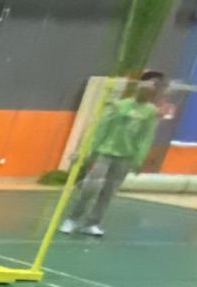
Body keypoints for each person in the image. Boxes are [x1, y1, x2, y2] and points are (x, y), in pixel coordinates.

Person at [61, 70, 165, 238]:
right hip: (105, 153)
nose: (150, 89)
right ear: (139, 86)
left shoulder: (151, 112)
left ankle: (92, 223)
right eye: (147, 84)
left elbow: (145, 137)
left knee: (108, 192)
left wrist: (138, 160)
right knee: (90, 187)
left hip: (125, 157)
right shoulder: (119, 105)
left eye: (154, 86)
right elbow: (99, 130)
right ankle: (72, 219)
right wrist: (86, 152)